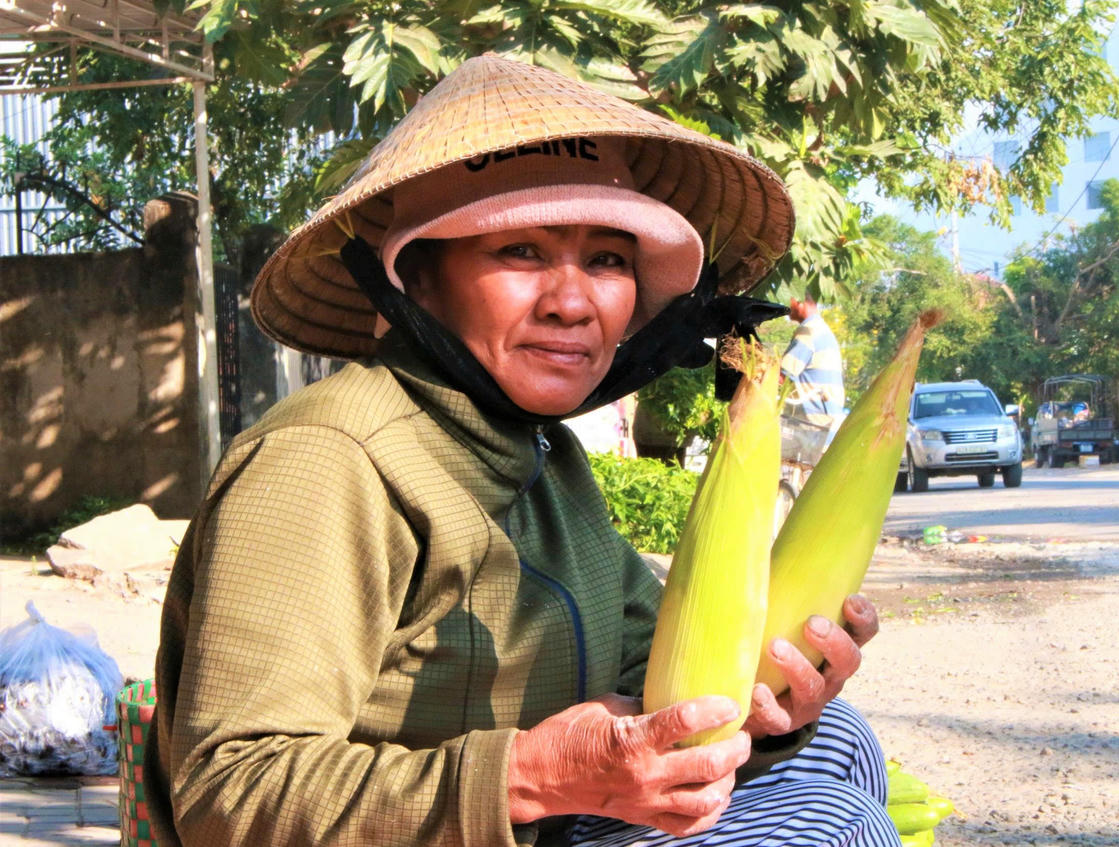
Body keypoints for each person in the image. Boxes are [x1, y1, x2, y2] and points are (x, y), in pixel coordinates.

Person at [145, 55, 899, 847]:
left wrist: (764, 704)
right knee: (832, 828)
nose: (574, 302)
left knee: (838, 738)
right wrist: (529, 775)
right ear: (418, 282)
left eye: (607, 260)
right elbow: (228, 793)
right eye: (522, 253)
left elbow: (652, 678)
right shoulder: (326, 460)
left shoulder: (547, 462)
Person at [780, 296, 846, 429]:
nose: (787, 306)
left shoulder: (808, 331)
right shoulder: (820, 328)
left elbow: (781, 377)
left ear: (800, 301)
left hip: (813, 420)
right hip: (826, 417)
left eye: (789, 299)